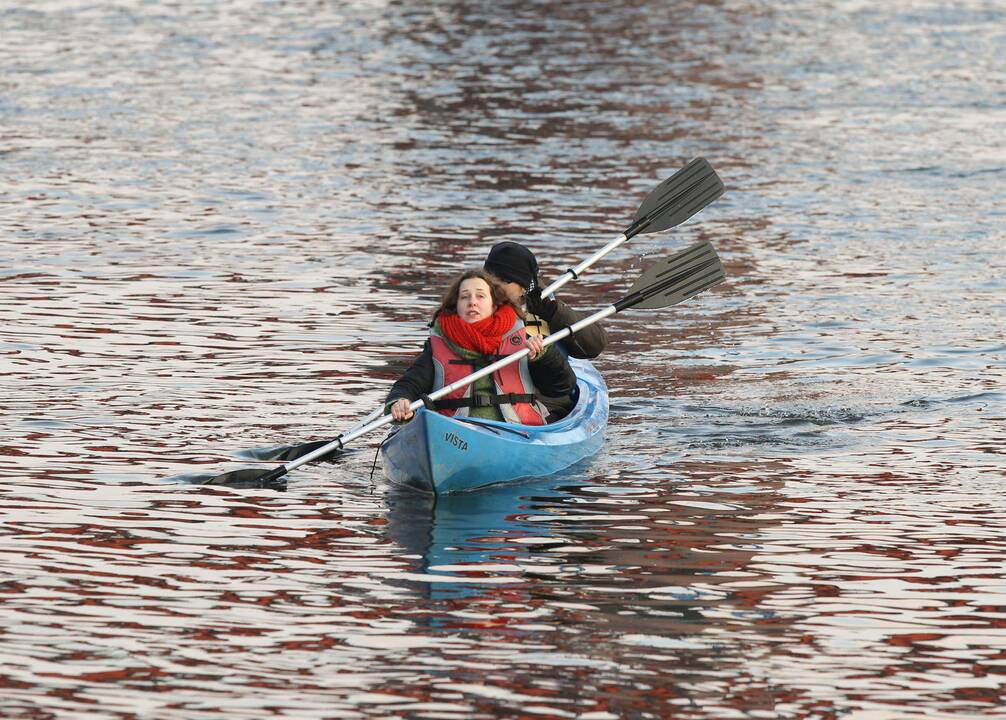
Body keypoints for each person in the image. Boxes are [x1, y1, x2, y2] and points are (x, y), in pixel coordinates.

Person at [386, 269, 576, 424]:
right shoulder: (438, 345)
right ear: (456, 305)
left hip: (518, 431)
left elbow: (561, 387)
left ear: (494, 305)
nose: (472, 302)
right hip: (454, 431)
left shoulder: (522, 339)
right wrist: (400, 401)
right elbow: (409, 384)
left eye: (480, 296)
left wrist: (543, 356)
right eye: (464, 297)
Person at [482, 241, 608, 360]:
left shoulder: (543, 304)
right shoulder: (471, 300)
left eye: (504, 280)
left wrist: (554, 312)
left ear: (522, 287)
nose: (493, 285)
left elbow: (596, 345)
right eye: (489, 278)